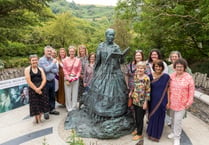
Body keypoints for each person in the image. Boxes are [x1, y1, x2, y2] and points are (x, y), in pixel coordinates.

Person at [83, 28, 128, 119]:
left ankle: (115, 111)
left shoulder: (116, 47)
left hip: (115, 72)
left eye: (113, 35)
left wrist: (122, 56)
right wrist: (95, 73)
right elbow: (98, 61)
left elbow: (121, 61)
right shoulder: (101, 46)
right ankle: (100, 111)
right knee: (102, 91)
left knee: (115, 91)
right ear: (106, 35)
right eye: (110, 35)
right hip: (103, 72)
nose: (111, 37)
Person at [168, 58, 195, 145]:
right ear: (175, 67)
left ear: (184, 67)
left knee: (178, 121)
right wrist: (167, 101)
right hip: (172, 102)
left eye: (181, 67)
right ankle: (173, 132)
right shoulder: (171, 76)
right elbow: (168, 89)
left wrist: (189, 102)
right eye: (177, 67)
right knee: (172, 119)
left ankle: (177, 137)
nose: (179, 68)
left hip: (182, 103)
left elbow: (191, 90)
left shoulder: (188, 77)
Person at [146, 60, 170, 142]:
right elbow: (146, 89)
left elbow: (168, 90)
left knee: (160, 117)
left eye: (159, 66)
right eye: (156, 66)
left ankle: (157, 135)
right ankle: (150, 133)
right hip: (152, 100)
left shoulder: (166, 77)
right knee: (152, 116)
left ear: (162, 67)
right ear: (153, 67)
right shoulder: (149, 76)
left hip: (162, 100)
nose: (158, 68)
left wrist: (168, 102)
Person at [128, 61, 150, 141]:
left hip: (142, 101)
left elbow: (148, 91)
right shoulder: (136, 76)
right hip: (135, 100)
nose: (140, 69)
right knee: (136, 116)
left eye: (141, 68)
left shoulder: (146, 78)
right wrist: (131, 92)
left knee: (140, 118)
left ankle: (139, 134)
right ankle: (137, 129)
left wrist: (146, 102)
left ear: (145, 69)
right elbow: (134, 85)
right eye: (138, 68)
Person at [24, 54, 49, 123]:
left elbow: (44, 79)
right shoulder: (27, 69)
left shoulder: (40, 69)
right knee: (35, 105)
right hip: (33, 89)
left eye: (36, 60)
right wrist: (36, 89)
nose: (34, 61)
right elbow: (28, 80)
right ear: (30, 61)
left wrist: (40, 88)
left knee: (41, 104)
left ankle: (40, 118)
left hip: (41, 88)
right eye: (33, 60)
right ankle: (37, 119)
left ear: (38, 60)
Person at [38, 46, 59, 119]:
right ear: (45, 52)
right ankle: (46, 111)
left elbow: (56, 70)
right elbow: (46, 70)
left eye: (50, 51)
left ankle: (52, 109)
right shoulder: (41, 60)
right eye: (48, 51)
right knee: (45, 97)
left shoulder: (52, 59)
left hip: (52, 80)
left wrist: (50, 68)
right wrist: (52, 64)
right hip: (45, 81)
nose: (49, 52)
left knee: (52, 96)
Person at [63, 46, 81, 112]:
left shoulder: (78, 60)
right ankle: (69, 108)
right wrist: (68, 78)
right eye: (70, 51)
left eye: (73, 51)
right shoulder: (65, 60)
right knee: (68, 93)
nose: (72, 52)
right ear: (68, 52)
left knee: (75, 93)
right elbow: (64, 69)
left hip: (75, 78)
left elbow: (79, 69)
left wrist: (77, 77)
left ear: (75, 52)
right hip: (68, 78)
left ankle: (74, 107)